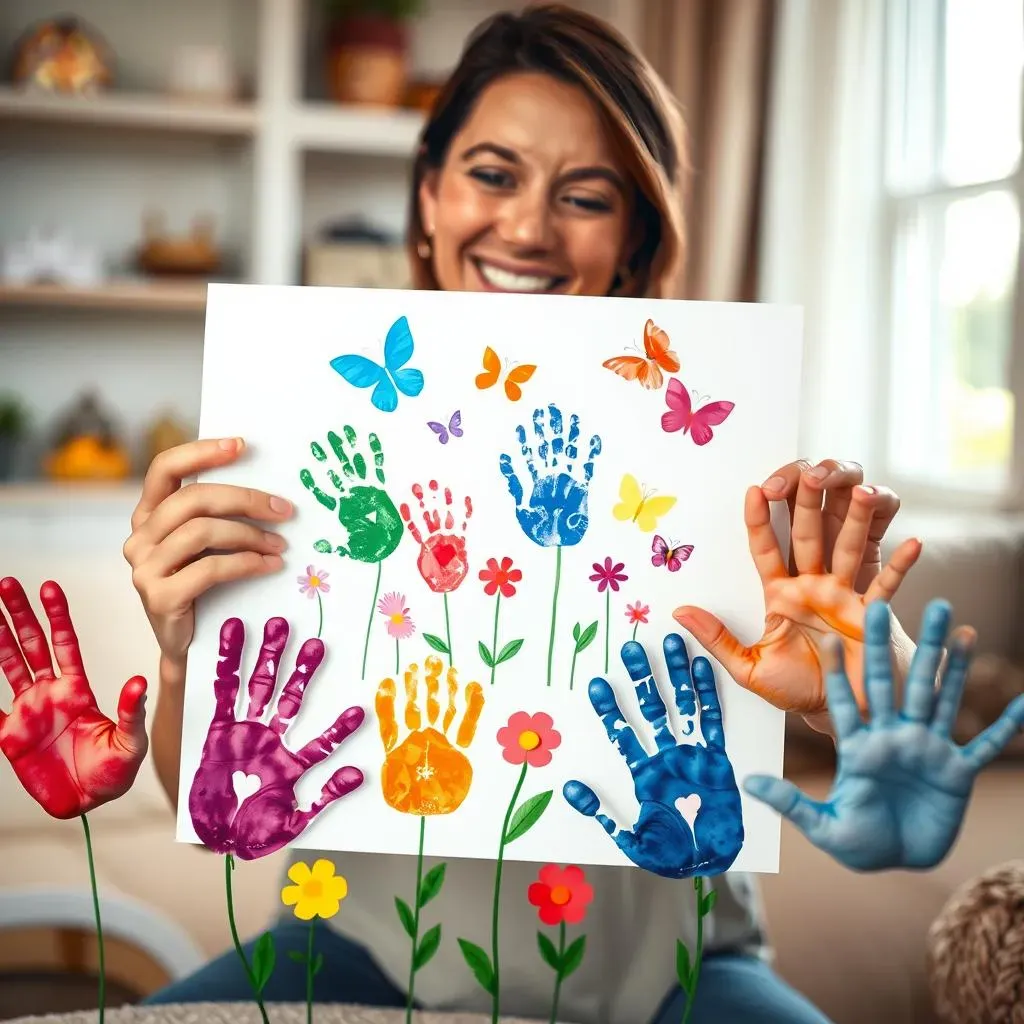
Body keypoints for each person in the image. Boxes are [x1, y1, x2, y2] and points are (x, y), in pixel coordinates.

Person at [126, 6, 916, 1022]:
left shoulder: (724, 442)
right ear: (427, 197)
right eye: (492, 174)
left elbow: (870, 736)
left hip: (679, 971)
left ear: (634, 236)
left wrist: (847, 684)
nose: (529, 227)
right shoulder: (300, 420)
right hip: (358, 946)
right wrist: (187, 649)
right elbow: (216, 812)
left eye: (584, 196)